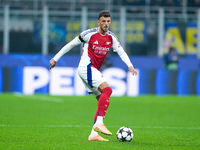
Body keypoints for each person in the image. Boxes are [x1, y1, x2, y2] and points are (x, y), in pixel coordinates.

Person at [49, 10, 137, 142]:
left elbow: (121, 51)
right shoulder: (89, 34)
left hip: (92, 70)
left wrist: (130, 65)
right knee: (108, 90)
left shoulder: (111, 37)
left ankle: (93, 134)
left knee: (102, 100)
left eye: (108, 21)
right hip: (86, 67)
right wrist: (55, 59)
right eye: (103, 21)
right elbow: (71, 44)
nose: (106, 24)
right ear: (98, 22)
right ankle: (99, 123)